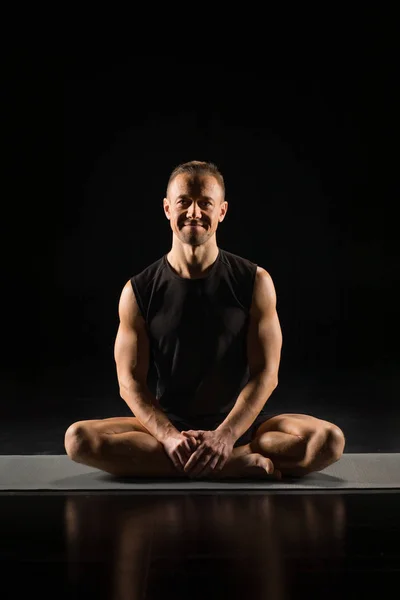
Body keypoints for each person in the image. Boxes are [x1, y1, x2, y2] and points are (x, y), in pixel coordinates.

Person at [65, 160, 345, 480]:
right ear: (168, 208)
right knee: (79, 440)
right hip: (168, 428)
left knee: (328, 441)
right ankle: (231, 466)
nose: (194, 212)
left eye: (205, 203)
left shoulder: (255, 281)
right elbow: (130, 384)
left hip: (243, 425)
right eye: (184, 202)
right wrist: (169, 436)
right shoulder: (137, 291)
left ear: (222, 211)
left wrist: (225, 437)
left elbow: (266, 375)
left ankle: (224, 457)